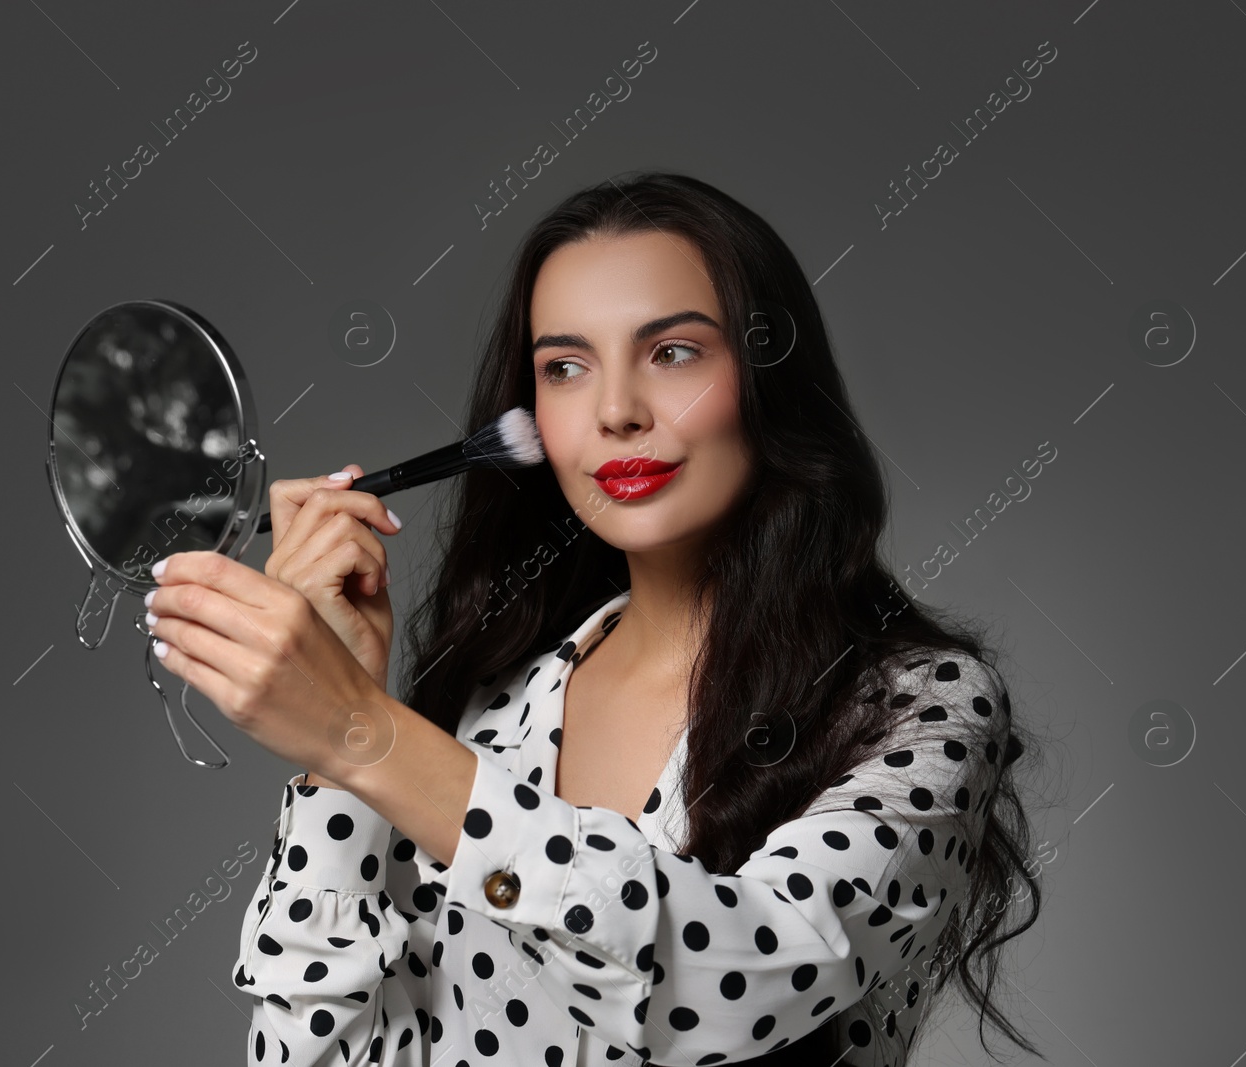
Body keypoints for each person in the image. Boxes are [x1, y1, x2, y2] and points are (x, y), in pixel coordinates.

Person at [144, 171, 1047, 1066]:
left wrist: (362, 733)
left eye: (673, 352)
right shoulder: (490, 709)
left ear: (770, 377)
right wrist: (336, 764)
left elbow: (731, 989)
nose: (616, 411)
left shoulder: (915, 706)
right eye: (565, 368)